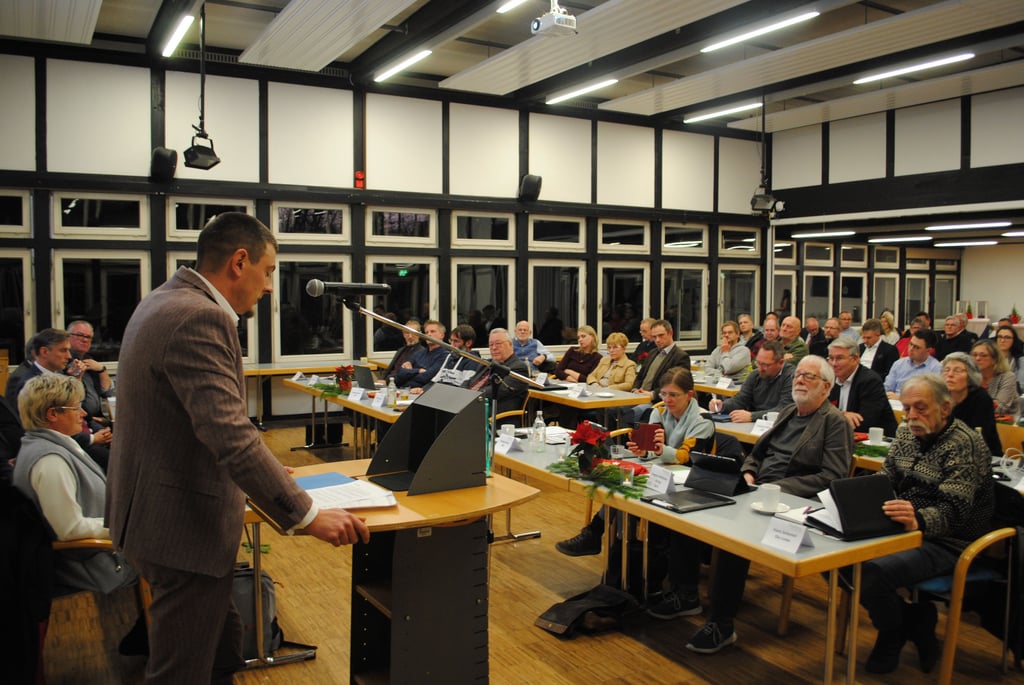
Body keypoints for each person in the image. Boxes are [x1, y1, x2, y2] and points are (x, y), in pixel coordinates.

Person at [107, 212, 369, 684]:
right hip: (181, 525)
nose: (270, 287)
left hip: (158, 513)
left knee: (222, 653)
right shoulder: (199, 316)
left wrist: (270, 470)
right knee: (182, 671)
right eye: (268, 272)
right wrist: (306, 515)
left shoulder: (164, 300)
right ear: (239, 261)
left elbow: (192, 425)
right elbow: (228, 432)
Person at [647, 355, 852, 653]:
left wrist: (774, 488)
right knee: (687, 510)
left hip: (791, 501)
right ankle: (685, 595)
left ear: (827, 387)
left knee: (735, 538)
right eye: (798, 375)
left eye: (809, 377)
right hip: (755, 488)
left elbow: (833, 475)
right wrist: (748, 471)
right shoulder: (789, 412)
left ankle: (722, 624)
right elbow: (758, 451)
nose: (799, 380)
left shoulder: (834, 423)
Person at [858, 373, 993, 674]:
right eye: (906, 409)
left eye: (920, 408)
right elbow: (886, 478)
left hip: (948, 539)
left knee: (872, 571)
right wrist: (858, 502)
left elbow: (956, 511)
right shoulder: (906, 433)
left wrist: (917, 520)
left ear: (945, 408)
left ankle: (892, 631)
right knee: (835, 560)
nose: (911, 417)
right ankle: (912, 620)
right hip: (902, 527)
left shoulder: (964, 443)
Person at [555, 367, 714, 557]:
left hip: (690, 483)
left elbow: (686, 457)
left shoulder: (702, 420)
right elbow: (652, 449)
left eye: (674, 395)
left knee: (627, 486)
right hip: (661, 473)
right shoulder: (660, 411)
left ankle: (598, 535)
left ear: (689, 394)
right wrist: (644, 451)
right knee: (624, 482)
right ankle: (608, 542)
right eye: (663, 394)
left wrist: (659, 450)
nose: (667, 399)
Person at [13, 374, 137, 595]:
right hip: (94, 569)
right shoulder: (50, 460)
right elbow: (69, 529)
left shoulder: (52, 445)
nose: (84, 414)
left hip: (101, 559)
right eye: (76, 407)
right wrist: (125, 527)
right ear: (53, 414)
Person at [827, 337, 898, 436]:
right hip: (842, 436)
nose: (833, 363)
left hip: (875, 441)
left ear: (855, 359)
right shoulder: (830, 379)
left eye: (839, 358)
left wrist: (836, 416)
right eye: (831, 358)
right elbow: (820, 411)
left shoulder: (870, 381)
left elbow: (864, 422)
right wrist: (842, 415)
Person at [708, 340, 794, 423]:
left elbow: (784, 409)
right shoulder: (756, 374)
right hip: (756, 424)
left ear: (781, 362)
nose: (760, 368)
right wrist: (722, 406)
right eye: (758, 363)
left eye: (765, 365)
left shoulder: (792, 377)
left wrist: (752, 416)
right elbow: (741, 399)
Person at [628, 319, 690, 425]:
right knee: (610, 409)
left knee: (630, 413)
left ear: (670, 334)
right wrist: (635, 389)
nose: (657, 340)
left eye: (661, 336)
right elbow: (640, 376)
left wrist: (652, 394)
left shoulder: (680, 356)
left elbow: (677, 386)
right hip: (639, 396)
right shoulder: (652, 352)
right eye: (654, 337)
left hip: (657, 400)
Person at [941, 352, 1002, 456]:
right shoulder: (939, 396)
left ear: (970, 377)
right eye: (946, 370)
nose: (950, 375)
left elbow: (978, 438)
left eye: (957, 370)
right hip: (944, 453)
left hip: (980, 457)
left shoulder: (981, 399)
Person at [462, 328, 529, 415]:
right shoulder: (487, 363)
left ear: (510, 344)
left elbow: (494, 392)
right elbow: (469, 382)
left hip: (494, 416)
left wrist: (469, 396)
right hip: (473, 408)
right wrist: (460, 394)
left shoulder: (519, 368)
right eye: (491, 344)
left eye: (498, 344)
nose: (493, 348)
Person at [65, 319, 114, 429]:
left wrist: (102, 370)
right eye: (80, 335)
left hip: (98, 417)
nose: (84, 340)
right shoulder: (64, 362)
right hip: (79, 420)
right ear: (68, 337)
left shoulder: (90, 361)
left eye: (88, 337)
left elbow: (108, 393)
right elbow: (69, 399)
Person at [885, 328, 942, 397]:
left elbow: (932, 397)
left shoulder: (936, 368)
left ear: (928, 350)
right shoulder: (899, 364)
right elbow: (887, 388)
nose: (911, 349)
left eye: (916, 347)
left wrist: (901, 398)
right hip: (894, 404)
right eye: (910, 344)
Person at [971, 339, 1019, 416]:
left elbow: (999, 408)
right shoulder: (970, 377)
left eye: (983, 355)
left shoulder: (1007, 377)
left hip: (1004, 424)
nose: (977, 359)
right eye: (974, 355)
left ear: (994, 359)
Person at [395, 319, 448, 388]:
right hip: (403, 389)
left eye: (432, 331)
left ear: (442, 335)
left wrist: (409, 373)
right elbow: (400, 374)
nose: (429, 334)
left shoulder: (445, 355)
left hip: (422, 392)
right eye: (426, 332)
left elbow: (427, 377)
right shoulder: (419, 353)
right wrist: (418, 371)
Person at [994, 324, 1024, 391]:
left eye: (1007, 337)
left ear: (1014, 340)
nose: (1002, 340)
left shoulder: (1020, 360)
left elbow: (1021, 385)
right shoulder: (990, 357)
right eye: (1000, 337)